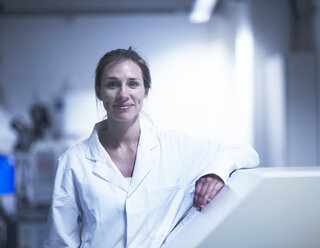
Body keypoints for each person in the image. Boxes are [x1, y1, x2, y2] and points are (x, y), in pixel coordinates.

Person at [43, 48, 259, 248]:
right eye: (112, 84)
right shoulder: (74, 162)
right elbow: (59, 242)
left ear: (146, 91)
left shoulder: (176, 148)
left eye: (133, 84)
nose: (123, 94)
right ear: (99, 92)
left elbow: (245, 153)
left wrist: (216, 173)